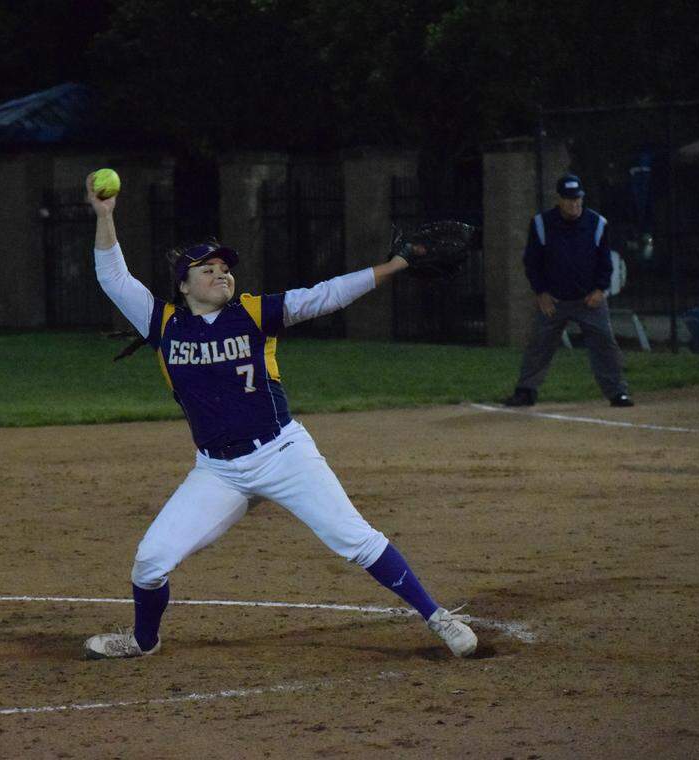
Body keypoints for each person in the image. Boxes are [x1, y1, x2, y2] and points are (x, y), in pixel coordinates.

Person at [82, 172, 477, 660]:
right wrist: (105, 216)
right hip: (218, 471)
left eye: (226, 267)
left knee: (354, 539)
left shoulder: (254, 313)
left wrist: (393, 266)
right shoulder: (161, 323)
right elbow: (112, 277)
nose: (221, 273)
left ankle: (439, 618)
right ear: (183, 285)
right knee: (149, 562)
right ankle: (143, 640)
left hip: (282, 452)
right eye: (207, 269)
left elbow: (324, 294)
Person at [503, 174, 634, 408]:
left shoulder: (597, 224)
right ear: (559, 200)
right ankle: (526, 391)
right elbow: (532, 262)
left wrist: (600, 289)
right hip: (555, 300)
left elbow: (605, 261)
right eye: (569, 199)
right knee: (539, 345)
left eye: (577, 199)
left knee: (605, 343)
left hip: (589, 300)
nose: (574, 204)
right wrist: (541, 292)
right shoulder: (541, 224)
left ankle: (617, 392)